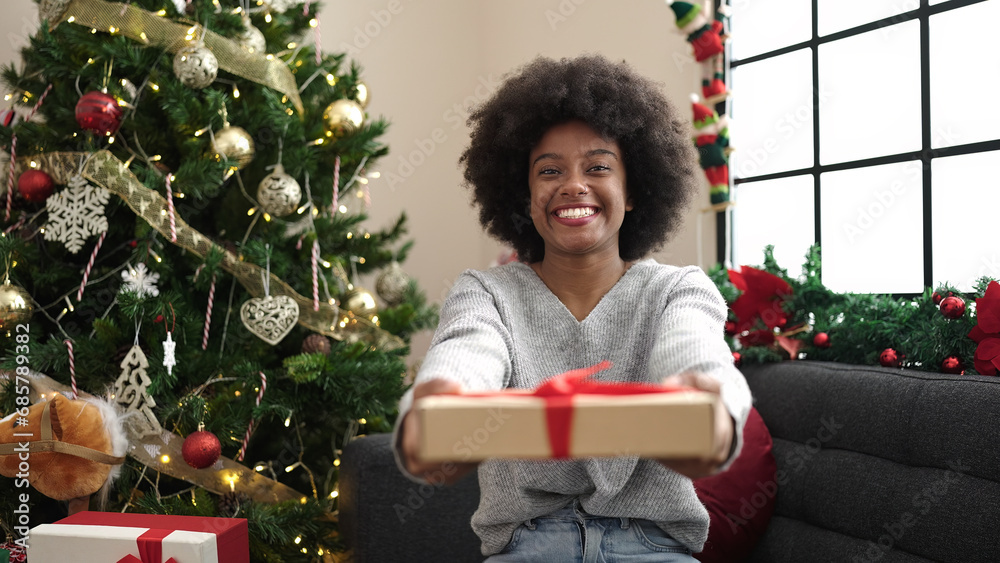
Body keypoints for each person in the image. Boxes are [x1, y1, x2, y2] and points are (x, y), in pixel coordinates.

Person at [393, 54, 751, 562]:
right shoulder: (486, 293)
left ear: (633, 192)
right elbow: (465, 353)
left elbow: (694, 352)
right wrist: (440, 407)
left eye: (598, 167)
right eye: (550, 171)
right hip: (525, 547)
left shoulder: (678, 290)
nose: (573, 184)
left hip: (653, 547)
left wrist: (704, 402)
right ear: (525, 195)